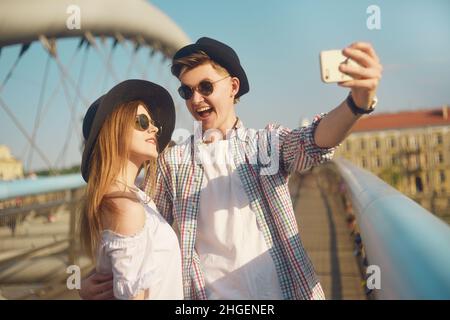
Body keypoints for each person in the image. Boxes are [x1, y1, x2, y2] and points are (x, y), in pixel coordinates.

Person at [80, 37, 382, 300]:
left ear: (233, 87)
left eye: (206, 87)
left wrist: (356, 104)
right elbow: (139, 235)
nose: (196, 100)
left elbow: (313, 142)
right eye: (187, 92)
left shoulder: (265, 145)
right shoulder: (172, 162)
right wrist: (95, 279)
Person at [79, 79, 183, 300]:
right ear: (113, 130)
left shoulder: (133, 199)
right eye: (142, 121)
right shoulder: (125, 207)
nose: (154, 128)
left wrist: (79, 284)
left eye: (153, 122)